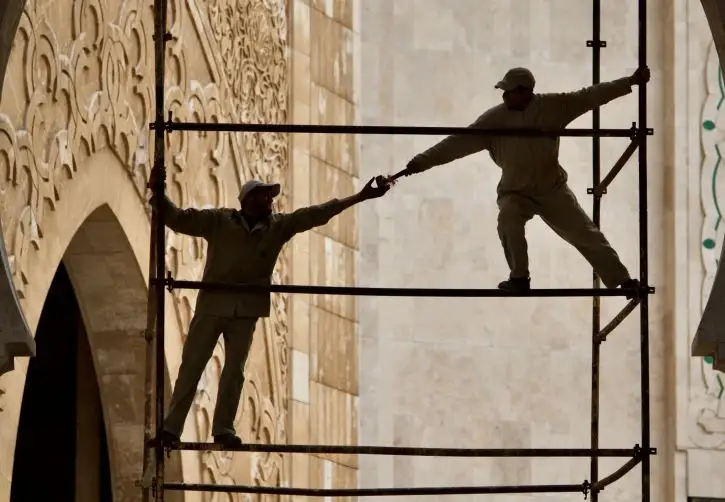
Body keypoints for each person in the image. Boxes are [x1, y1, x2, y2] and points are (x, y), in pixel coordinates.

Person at [149, 168, 392, 446]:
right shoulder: (219, 221)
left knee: (235, 371)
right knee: (192, 366)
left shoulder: (277, 227)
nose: (271, 200)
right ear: (249, 199)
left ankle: (222, 430)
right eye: (266, 195)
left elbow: (314, 214)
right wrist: (158, 193)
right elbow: (178, 219)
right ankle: (171, 429)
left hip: (247, 311)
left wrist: (360, 196)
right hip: (213, 306)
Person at [393, 66, 650, 294]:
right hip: (515, 192)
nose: (504, 96)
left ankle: (623, 280)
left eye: (508, 91)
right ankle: (519, 278)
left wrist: (629, 82)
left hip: (552, 190)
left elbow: (591, 95)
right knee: (508, 220)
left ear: (524, 91)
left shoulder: (554, 107)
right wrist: (419, 163)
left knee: (586, 234)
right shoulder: (494, 119)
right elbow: (455, 144)